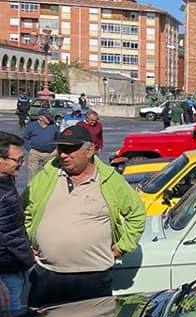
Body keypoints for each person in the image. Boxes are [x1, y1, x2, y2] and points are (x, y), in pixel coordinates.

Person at [23, 124, 145, 306]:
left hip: (93, 278)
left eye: (70, 149)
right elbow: (24, 209)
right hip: (48, 275)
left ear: (89, 151)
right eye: (60, 149)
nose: (63, 154)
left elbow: (136, 215)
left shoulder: (110, 180)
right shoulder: (47, 176)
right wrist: (26, 243)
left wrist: (122, 247)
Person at [0, 132, 33, 313]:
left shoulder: (6, 180)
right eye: (18, 160)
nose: (22, 165)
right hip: (6, 272)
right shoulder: (2, 191)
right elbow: (9, 235)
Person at [23, 111, 58, 181]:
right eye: (47, 117)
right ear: (40, 117)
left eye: (50, 117)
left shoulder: (54, 127)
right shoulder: (31, 126)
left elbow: (58, 138)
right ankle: (32, 190)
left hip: (50, 154)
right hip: (35, 153)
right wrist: (29, 149)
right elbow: (24, 138)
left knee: (49, 173)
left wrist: (56, 150)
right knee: (32, 174)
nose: (49, 119)